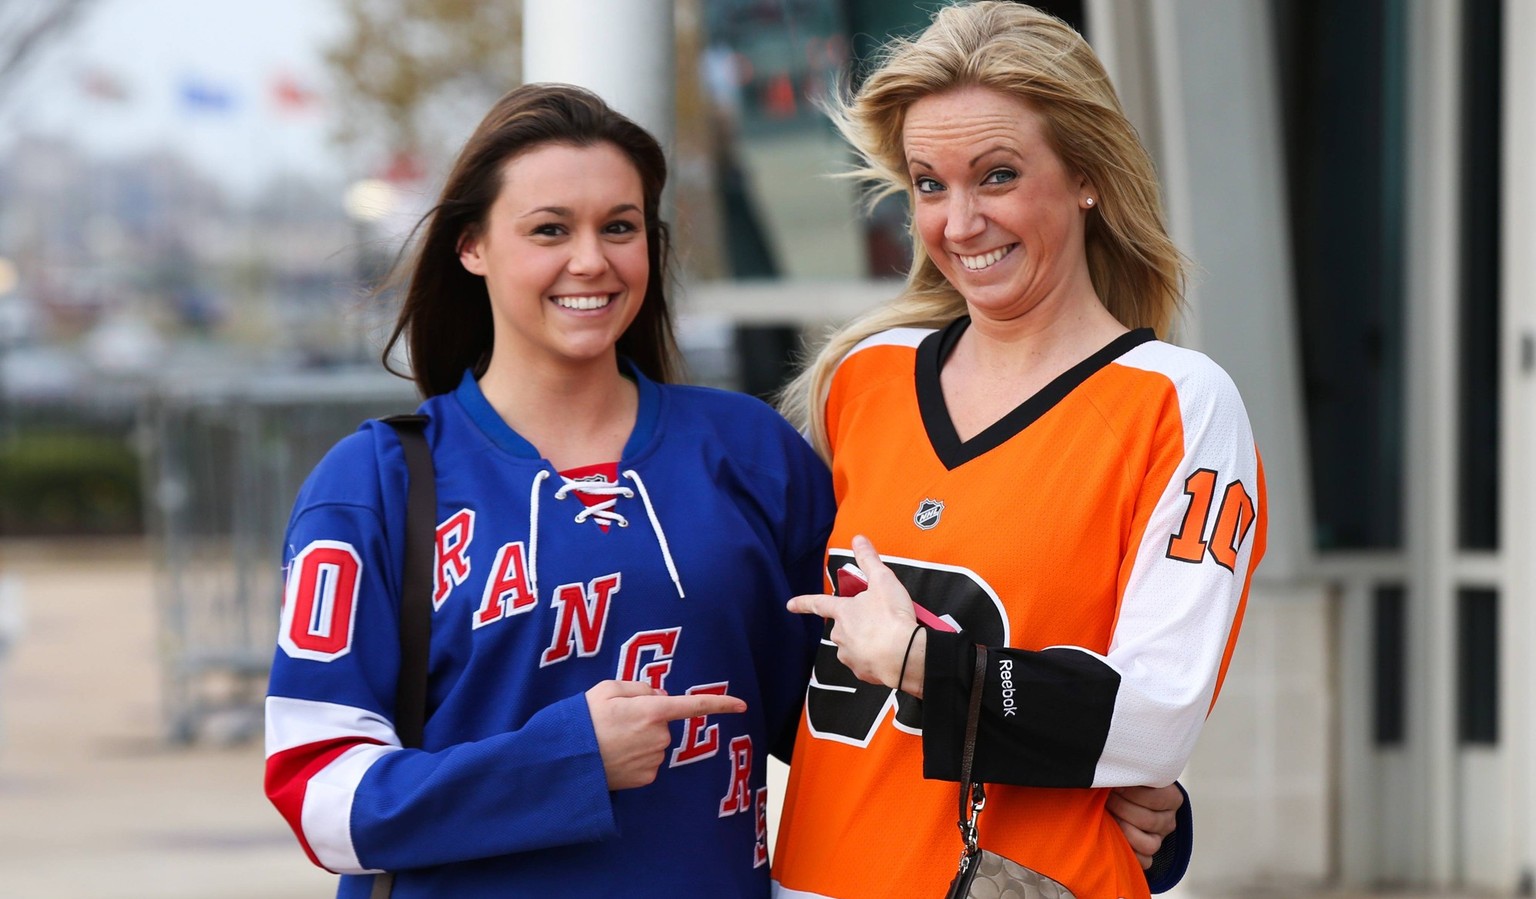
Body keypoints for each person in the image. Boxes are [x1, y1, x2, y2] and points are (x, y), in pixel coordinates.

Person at [263, 81, 1184, 897]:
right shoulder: (374, 486)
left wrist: (1121, 794)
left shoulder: (748, 454)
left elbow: (866, 730)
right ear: (471, 246)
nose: (592, 261)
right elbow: (319, 799)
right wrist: (564, 759)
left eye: (619, 228)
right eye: (550, 229)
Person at [770, 4, 1266, 899]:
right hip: (813, 878)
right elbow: (792, 668)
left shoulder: (1180, 404)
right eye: (928, 184)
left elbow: (1152, 720)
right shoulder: (860, 379)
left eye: (996, 176)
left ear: (1086, 176)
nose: (959, 223)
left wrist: (925, 665)